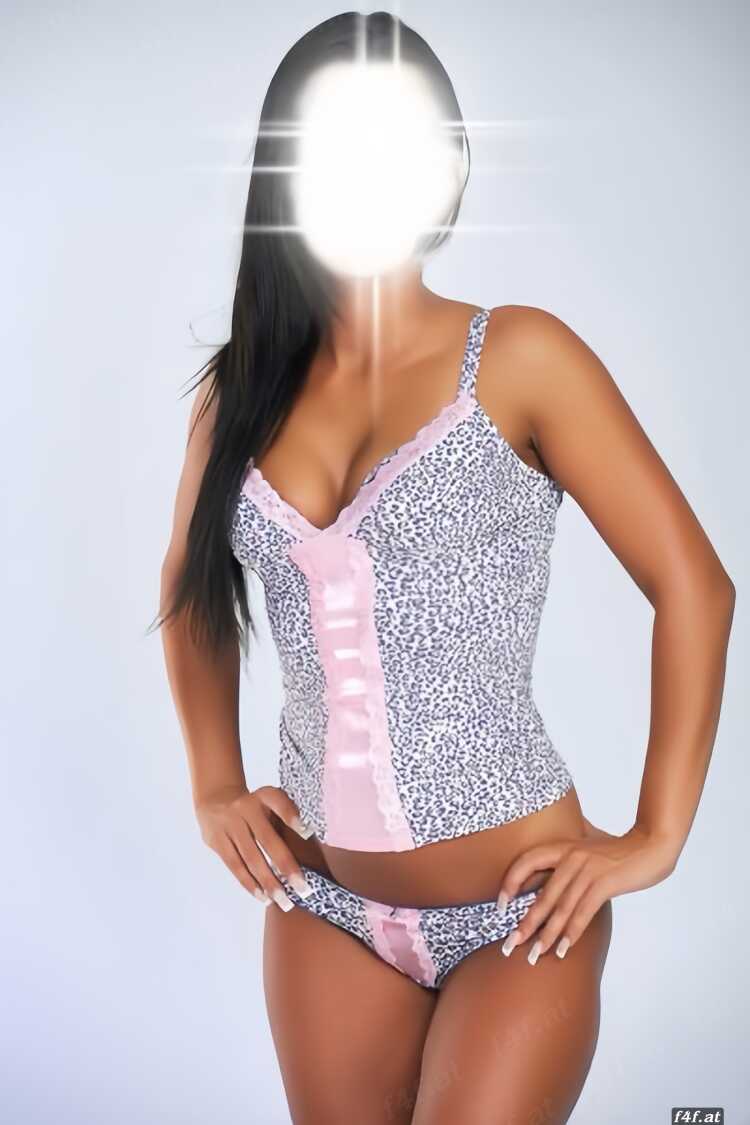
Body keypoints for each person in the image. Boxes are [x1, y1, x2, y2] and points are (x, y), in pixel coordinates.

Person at [155, 12, 735, 1124]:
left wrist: (657, 836)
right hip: (322, 904)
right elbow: (193, 603)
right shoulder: (237, 394)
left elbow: (694, 587)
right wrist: (214, 782)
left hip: (521, 911)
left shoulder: (519, 355)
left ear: (448, 166)